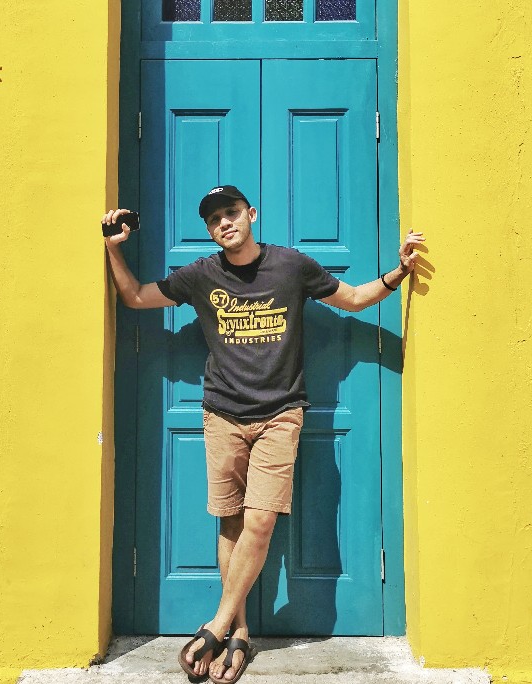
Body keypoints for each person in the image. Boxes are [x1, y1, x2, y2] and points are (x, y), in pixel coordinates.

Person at [102, 185, 424, 684]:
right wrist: (112, 248)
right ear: (210, 231)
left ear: (251, 214)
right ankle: (239, 632)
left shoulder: (291, 266)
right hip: (222, 414)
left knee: (261, 520)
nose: (225, 223)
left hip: (280, 415)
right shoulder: (201, 275)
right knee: (230, 522)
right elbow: (136, 297)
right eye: (215, 219)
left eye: (232, 213)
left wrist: (399, 271)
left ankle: (215, 625)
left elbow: (356, 299)